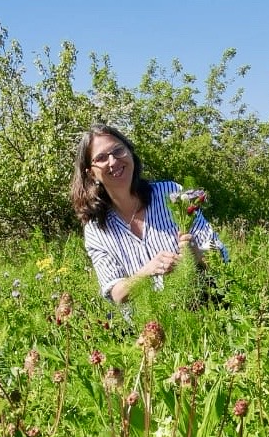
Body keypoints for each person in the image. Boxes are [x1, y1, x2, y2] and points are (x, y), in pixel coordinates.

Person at [71, 124, 228, 303]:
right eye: (101, 158)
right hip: (146, 323)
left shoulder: (171, 194)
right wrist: (148, 271)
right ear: (91, 174)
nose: (113, 161)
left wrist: (197, 253)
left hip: (198, 307)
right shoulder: (96, 228)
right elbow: (116, 293)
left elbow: (221, 254)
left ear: (130, 152)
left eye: (118, 150)